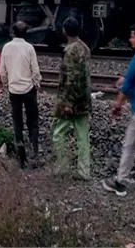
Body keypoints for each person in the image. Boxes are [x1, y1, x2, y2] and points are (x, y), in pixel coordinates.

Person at [103, 23, 135, 196]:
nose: (130, 39)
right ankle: (120, 180)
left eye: (133, 36)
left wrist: (117, 105)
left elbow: (126, 86)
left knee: (129, 145)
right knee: (128, 145)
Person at [51, 17, 92, 180]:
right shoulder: (85, 48)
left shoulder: (70, 51)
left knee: (58, 133)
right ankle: (84, 171)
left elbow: (70, 78)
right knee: (83, 137)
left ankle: (61, 167)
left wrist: (67, 103)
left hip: (70, 102)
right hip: (84, 100)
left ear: (65, 31)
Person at [0, 21, 42, 168]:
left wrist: (6, 84)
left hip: (14, 91)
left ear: (13, 32)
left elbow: (3, 71)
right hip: (29, 90)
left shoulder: (6, 48)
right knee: (33, 122)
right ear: (26, 33)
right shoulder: (29, 48)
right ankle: (34, 153)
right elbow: (35, 71)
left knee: (17, 123)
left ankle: (21, 158)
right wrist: (36, 83)